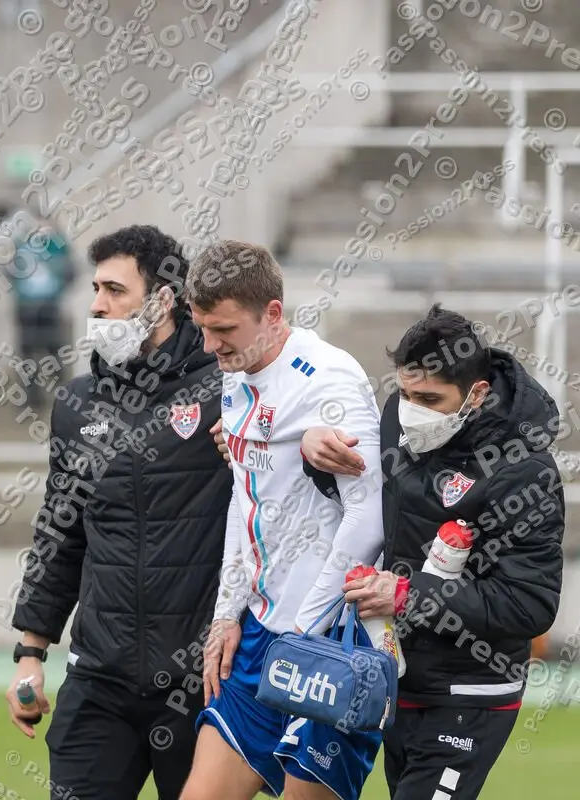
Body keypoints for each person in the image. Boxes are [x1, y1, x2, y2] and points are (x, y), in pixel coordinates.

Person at [299, 304, 565, 800]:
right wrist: (314, 451)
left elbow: (529, 603)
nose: (410, 408)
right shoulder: (401, 424)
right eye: (403, 392)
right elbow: (366, 501)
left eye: (428, 397)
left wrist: (406, 594)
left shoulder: (524, 470)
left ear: (477, 394)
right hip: (397, 679)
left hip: (470, 691)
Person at [8, 225, 232, 800]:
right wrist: (31, 654)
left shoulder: (229, 390)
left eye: (114, 289)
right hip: (99, 678)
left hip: (202, 681)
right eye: (96, 288)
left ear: (163, 298)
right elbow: (60, 533)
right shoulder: (77, 402)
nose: (97, 304)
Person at [181, 239, 387, 800]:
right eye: (202, 327)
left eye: (223, 329)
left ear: (272, 315)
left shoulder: (330, 379)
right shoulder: (236, 373)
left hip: (330, 644)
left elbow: (368, 521)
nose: (209, 344)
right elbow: (245, 497)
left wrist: (303, 633)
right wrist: (227, 613)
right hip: (259, 634)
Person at [11, 223, 75, 408]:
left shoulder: (56, 246)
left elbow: (70, 269)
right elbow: (11, 271)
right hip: (27, 309)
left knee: (54, 352)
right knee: (28, 355)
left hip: (49, 307)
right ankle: (32, 399)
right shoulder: (21, 245)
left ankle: (62, 397)